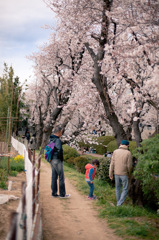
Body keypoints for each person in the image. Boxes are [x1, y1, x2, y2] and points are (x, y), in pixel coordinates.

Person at [109, 140, 132, 206]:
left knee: (117, 188)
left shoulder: (115, 151)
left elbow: (112, 163)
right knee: (125, 188)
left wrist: (110, 174)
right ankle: (119, 204)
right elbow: (129, 165)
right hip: (124, 174)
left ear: (121, 144)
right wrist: (129, 173)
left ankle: (118, 202)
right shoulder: (128, 153)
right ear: (127, 145)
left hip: (116, 173)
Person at [49, 126, 70, 198]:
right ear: (58, 132)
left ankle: (54, 193)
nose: (62, 133)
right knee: (61, 177)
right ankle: (62, 194)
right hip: (57, 160)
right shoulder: (57, 140)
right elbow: (59, 150)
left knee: (54, 177)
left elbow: (50, 149)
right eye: (61, 132)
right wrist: (61, 159)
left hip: (51, 160)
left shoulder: (51, 139)